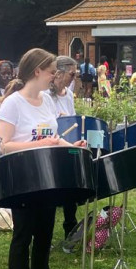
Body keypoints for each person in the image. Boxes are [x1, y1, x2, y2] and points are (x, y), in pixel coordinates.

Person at [0, 48, 86, 269]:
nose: (54, 76)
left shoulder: (47, 100)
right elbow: (2, 145)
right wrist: (40, 144)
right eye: (50, 72)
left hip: (48, 175)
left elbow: (52, 136)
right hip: (24, 176)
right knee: (24, 233)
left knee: (45, 231)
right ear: (37, 71)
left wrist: (70, 144)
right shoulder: (14, 103)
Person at [50, 56, 78, 238]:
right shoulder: (45, 94)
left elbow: (72, 117)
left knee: (71, 184)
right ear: (59, 73)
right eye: (72, 74)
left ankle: (71, 226)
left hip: (67, 142)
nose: (74, 78)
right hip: (51, 144)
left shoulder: (67, 93)